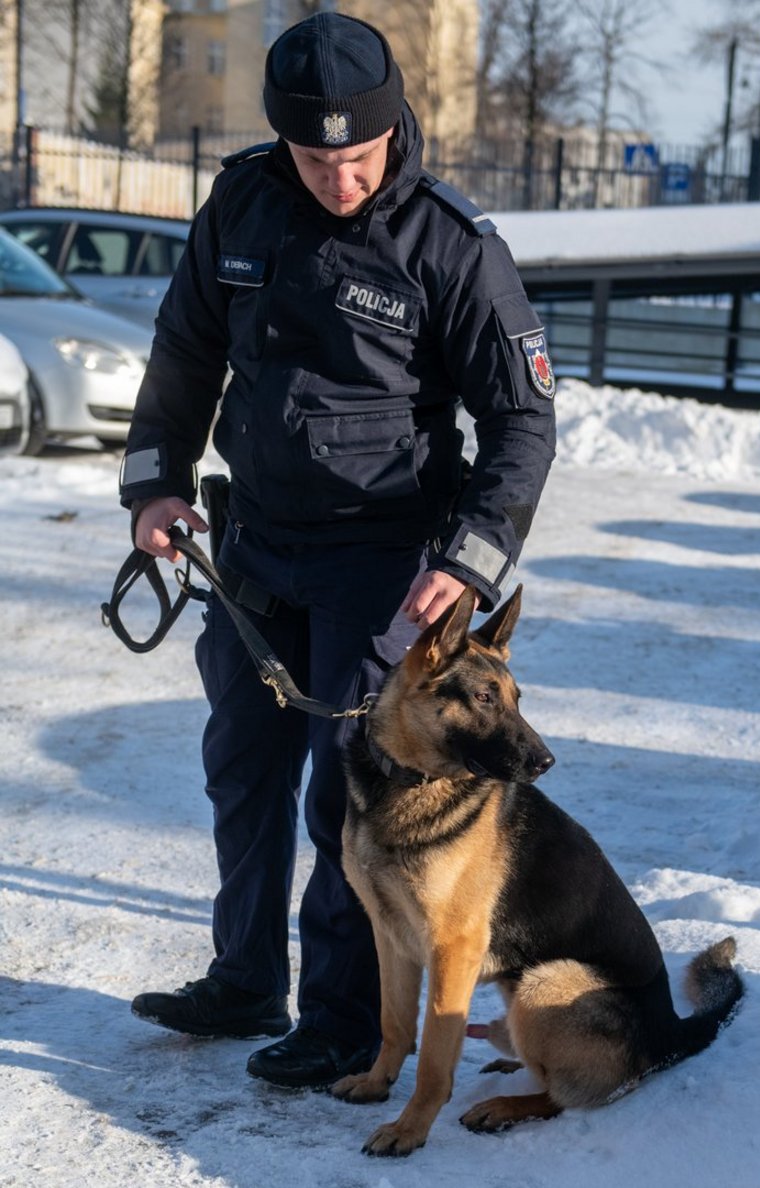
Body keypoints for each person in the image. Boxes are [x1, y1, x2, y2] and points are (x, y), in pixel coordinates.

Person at [119, 12, 556, 1090]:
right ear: (284, 145)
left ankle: (346, 1016)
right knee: (242, 769)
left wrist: (472, 555)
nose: (338, 179)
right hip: (254, 547)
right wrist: (155, 485)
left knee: (348, 797)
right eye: (315, 159)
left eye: (355, 158)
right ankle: (243, 979)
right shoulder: (242, 202)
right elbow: (183, 354)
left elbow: (521, 422)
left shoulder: (451, 244)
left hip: (388, 565)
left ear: (392, 130)